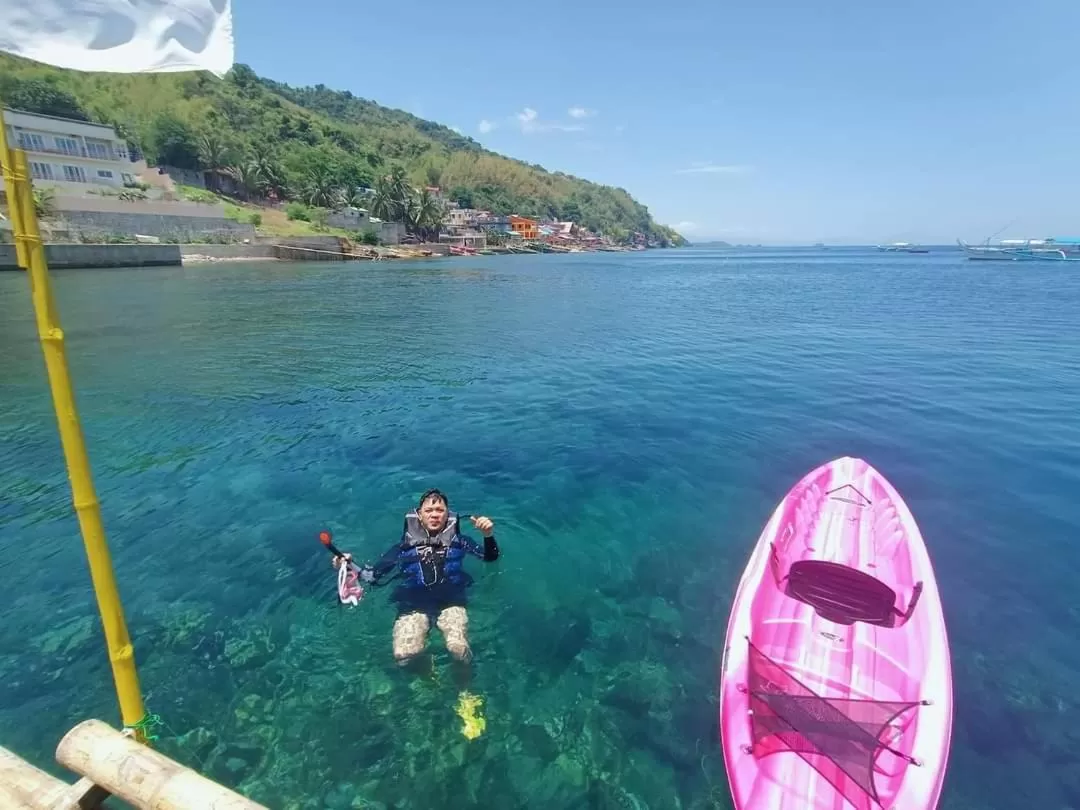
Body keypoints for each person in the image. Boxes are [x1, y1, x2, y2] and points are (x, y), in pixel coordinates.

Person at [334, 488, 499, 667]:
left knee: (458, 649)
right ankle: (426, 670)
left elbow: (490, 558)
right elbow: (371, 576)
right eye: (429, 510)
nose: (434, 515)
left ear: (447, 515)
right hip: (413, 602)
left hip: (451, 600)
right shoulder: (402, 548)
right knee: (403, 655)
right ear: (419, 515)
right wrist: (347, 564)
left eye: (440, 510)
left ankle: (465, 681)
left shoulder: (460, 541)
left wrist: (488, 535)